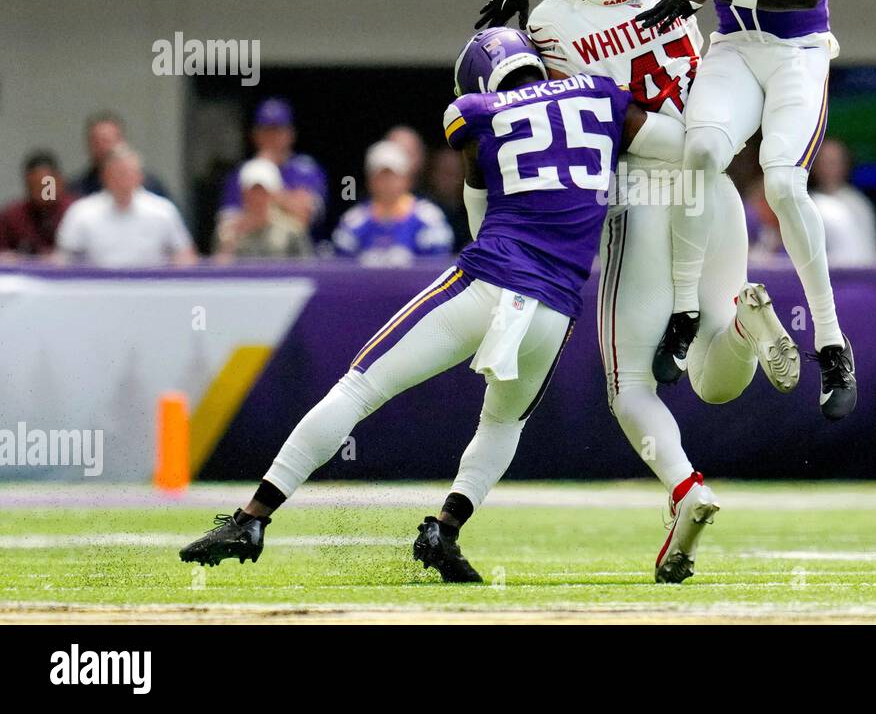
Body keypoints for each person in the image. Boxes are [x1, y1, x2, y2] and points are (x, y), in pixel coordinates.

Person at [179, 28, 687, 583]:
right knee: (501, 424)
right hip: (555, 307)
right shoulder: (600, 96)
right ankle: (445, 529)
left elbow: (476, 200)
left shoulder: (474, 112)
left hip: (488, 280)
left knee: (359, 387)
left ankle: (252, 517)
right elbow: (682, 143)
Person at [479, 0, 857, 420]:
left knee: (785, 183)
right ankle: (686, 312)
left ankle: (831, 341)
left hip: (796, 51)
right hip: (736, 47)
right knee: (701, 152)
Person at [527, 0, 802, 581]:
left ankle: (685, 487)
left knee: (630, 387)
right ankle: (744, 324)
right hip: (712, 187)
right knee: (713, 381)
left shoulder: (553, 24)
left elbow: (610, 117)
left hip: (648, 196)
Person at [56, 145, 197, 268]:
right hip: (96, 289)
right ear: (105, 176)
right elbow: (65, 256)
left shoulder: (163, 211)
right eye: (117, 173)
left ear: (140, 176)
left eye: (128, 173)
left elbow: (184, 254)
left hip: (150, 289)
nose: (122, 180)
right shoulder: (82, 212)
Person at [217, 98, 328, 240]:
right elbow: (226, 230)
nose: (272, 137)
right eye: (266, 131)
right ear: (255, 135)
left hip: (300, 255)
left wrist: (268, 195)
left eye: (278, 130)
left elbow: (303, 218)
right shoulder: (240, 173)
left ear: (290, 134)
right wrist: (286, 205)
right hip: (251, 252)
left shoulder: (306, 169)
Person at [332, 141, 454, 266]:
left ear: (407, 179)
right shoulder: (353, 222)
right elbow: (342, 270)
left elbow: (437, 269)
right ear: (370, 180)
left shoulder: (429, 219)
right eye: (381, 176)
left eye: (393, 176)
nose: (387, 183)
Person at [215, 158, 315, 261]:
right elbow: (219, 271)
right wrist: (229, 243)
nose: (258, 197)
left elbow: (307, 270)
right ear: (243, 193)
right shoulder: (227, 231)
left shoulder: (292, 232)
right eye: (253, 191)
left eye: (264, 192)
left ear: (274, 194)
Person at [809, 137, 876, 265]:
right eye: (823, 162)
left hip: (855, 277)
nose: (828, 168)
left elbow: (870, 252)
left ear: (846, 165)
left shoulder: (859, 203)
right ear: (814, 166)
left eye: (834, 162)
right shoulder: (805, 203)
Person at [72, 111, 171, 200]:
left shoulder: (151, 186)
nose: (102, 147)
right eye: (96, 142)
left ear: (121, 141)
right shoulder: (78, 189)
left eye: (107, 141)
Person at [0, 151, 73, 258]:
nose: (42, 192)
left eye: (47, 185)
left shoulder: (76, 211)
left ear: (59, 181)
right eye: (35, 186)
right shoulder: (13, 216)